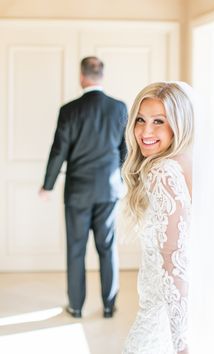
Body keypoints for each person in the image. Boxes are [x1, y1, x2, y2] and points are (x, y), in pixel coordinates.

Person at [39, 56, 128, 319]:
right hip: (109, 190)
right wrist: (119, 179)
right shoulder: (119, 108)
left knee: (76, 248)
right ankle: (110, 306)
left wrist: (48, 185)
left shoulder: (69, 110)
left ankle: (76, 307)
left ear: (81, 77)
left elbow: (58, 151)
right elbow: (124, 151)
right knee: (107, 247)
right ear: (103, 76)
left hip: (77, 192)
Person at [121, 82, 193, 354]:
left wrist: (180, 341)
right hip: (180, 308)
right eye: (140, 120)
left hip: (161, 318)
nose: (145, 131)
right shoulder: (186, 161)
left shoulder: (162, 173)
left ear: (178, 125)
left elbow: (173, 257)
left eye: (158, 121)